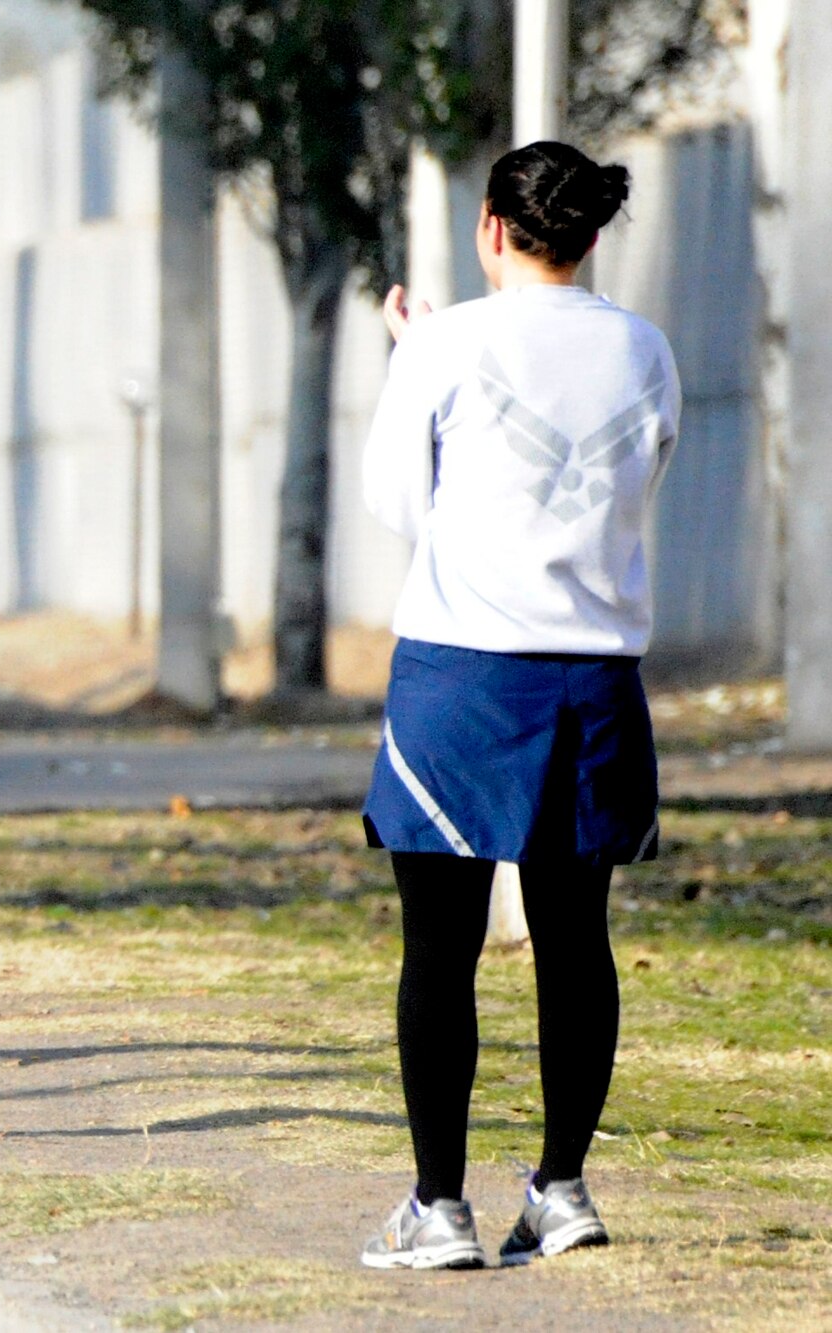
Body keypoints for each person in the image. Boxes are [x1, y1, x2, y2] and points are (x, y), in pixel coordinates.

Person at [355, 141, 680, 1270]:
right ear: (588, 236)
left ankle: (436, 1208)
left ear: (491, 229)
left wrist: (415, 358)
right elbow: (635, 484)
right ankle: (561, 1187)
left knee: (436, 948)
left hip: (459, 675)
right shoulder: (643, 348)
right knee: (574, 938)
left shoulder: (443, 345)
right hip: (592, 679)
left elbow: (398, 501)